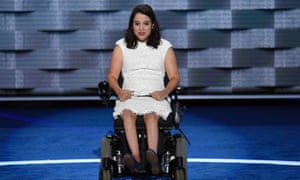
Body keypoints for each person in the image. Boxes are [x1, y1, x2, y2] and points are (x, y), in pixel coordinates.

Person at [107, 4, 180, 175]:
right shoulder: (121, 46)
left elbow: (175, 77)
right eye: (137, 23)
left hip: (155, 96)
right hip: (129, 95)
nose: (141, 28)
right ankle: (135, 159)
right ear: (131, 25)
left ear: (153, 25)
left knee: (151, 116)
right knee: (127, 114)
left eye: (145, 23)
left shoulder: (164, 46)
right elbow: (111, 76)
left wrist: (163, 93)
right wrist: (119, 91)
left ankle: (152, 156)